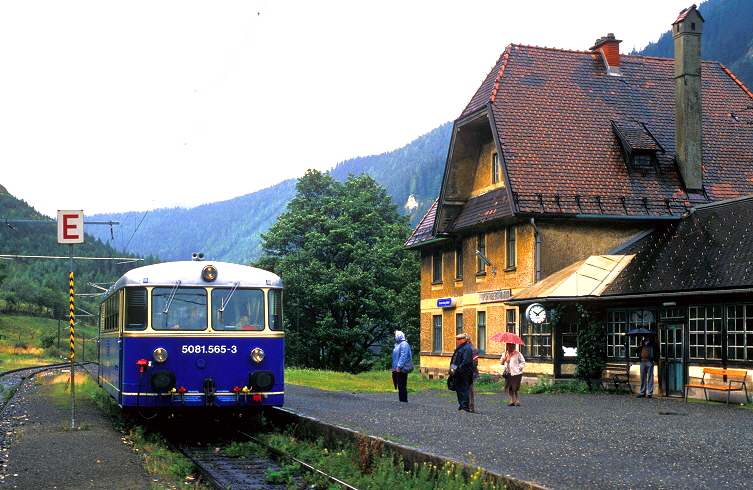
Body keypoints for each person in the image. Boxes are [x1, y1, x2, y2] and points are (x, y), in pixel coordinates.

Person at [450, 333, 475, 412]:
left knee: (464, 389)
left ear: (463, 340)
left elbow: (466, 361)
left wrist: (459, 368)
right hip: (458, 372)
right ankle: (461, 405)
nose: (457, 341)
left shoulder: (467, 348)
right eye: (457, 340)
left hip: (464, 372)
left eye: (458, 340)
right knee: (459, 389)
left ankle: (465, 406)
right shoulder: (460, 348)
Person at [391, 330, 413, 403]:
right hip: (397, 368)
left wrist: (399, 367)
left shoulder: (404, 344)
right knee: (399, 384)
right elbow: (395, 357)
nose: (395, 337)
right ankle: (401, 399)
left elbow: (403, 356)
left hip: (402, 368)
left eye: (396, 336)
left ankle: (403, 400)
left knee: (402, 383)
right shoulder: (397, 344)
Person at [636, 334, 658, 398]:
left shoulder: (653, 343)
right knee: (642, 377)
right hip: (642, 361)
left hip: (649, 361)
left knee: (650, 377)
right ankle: (642, 392)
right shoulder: (642, 343)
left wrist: (654, 359)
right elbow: (636, 351)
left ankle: (649, 393)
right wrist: (640, 346)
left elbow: (657, 352)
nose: (646, 337)